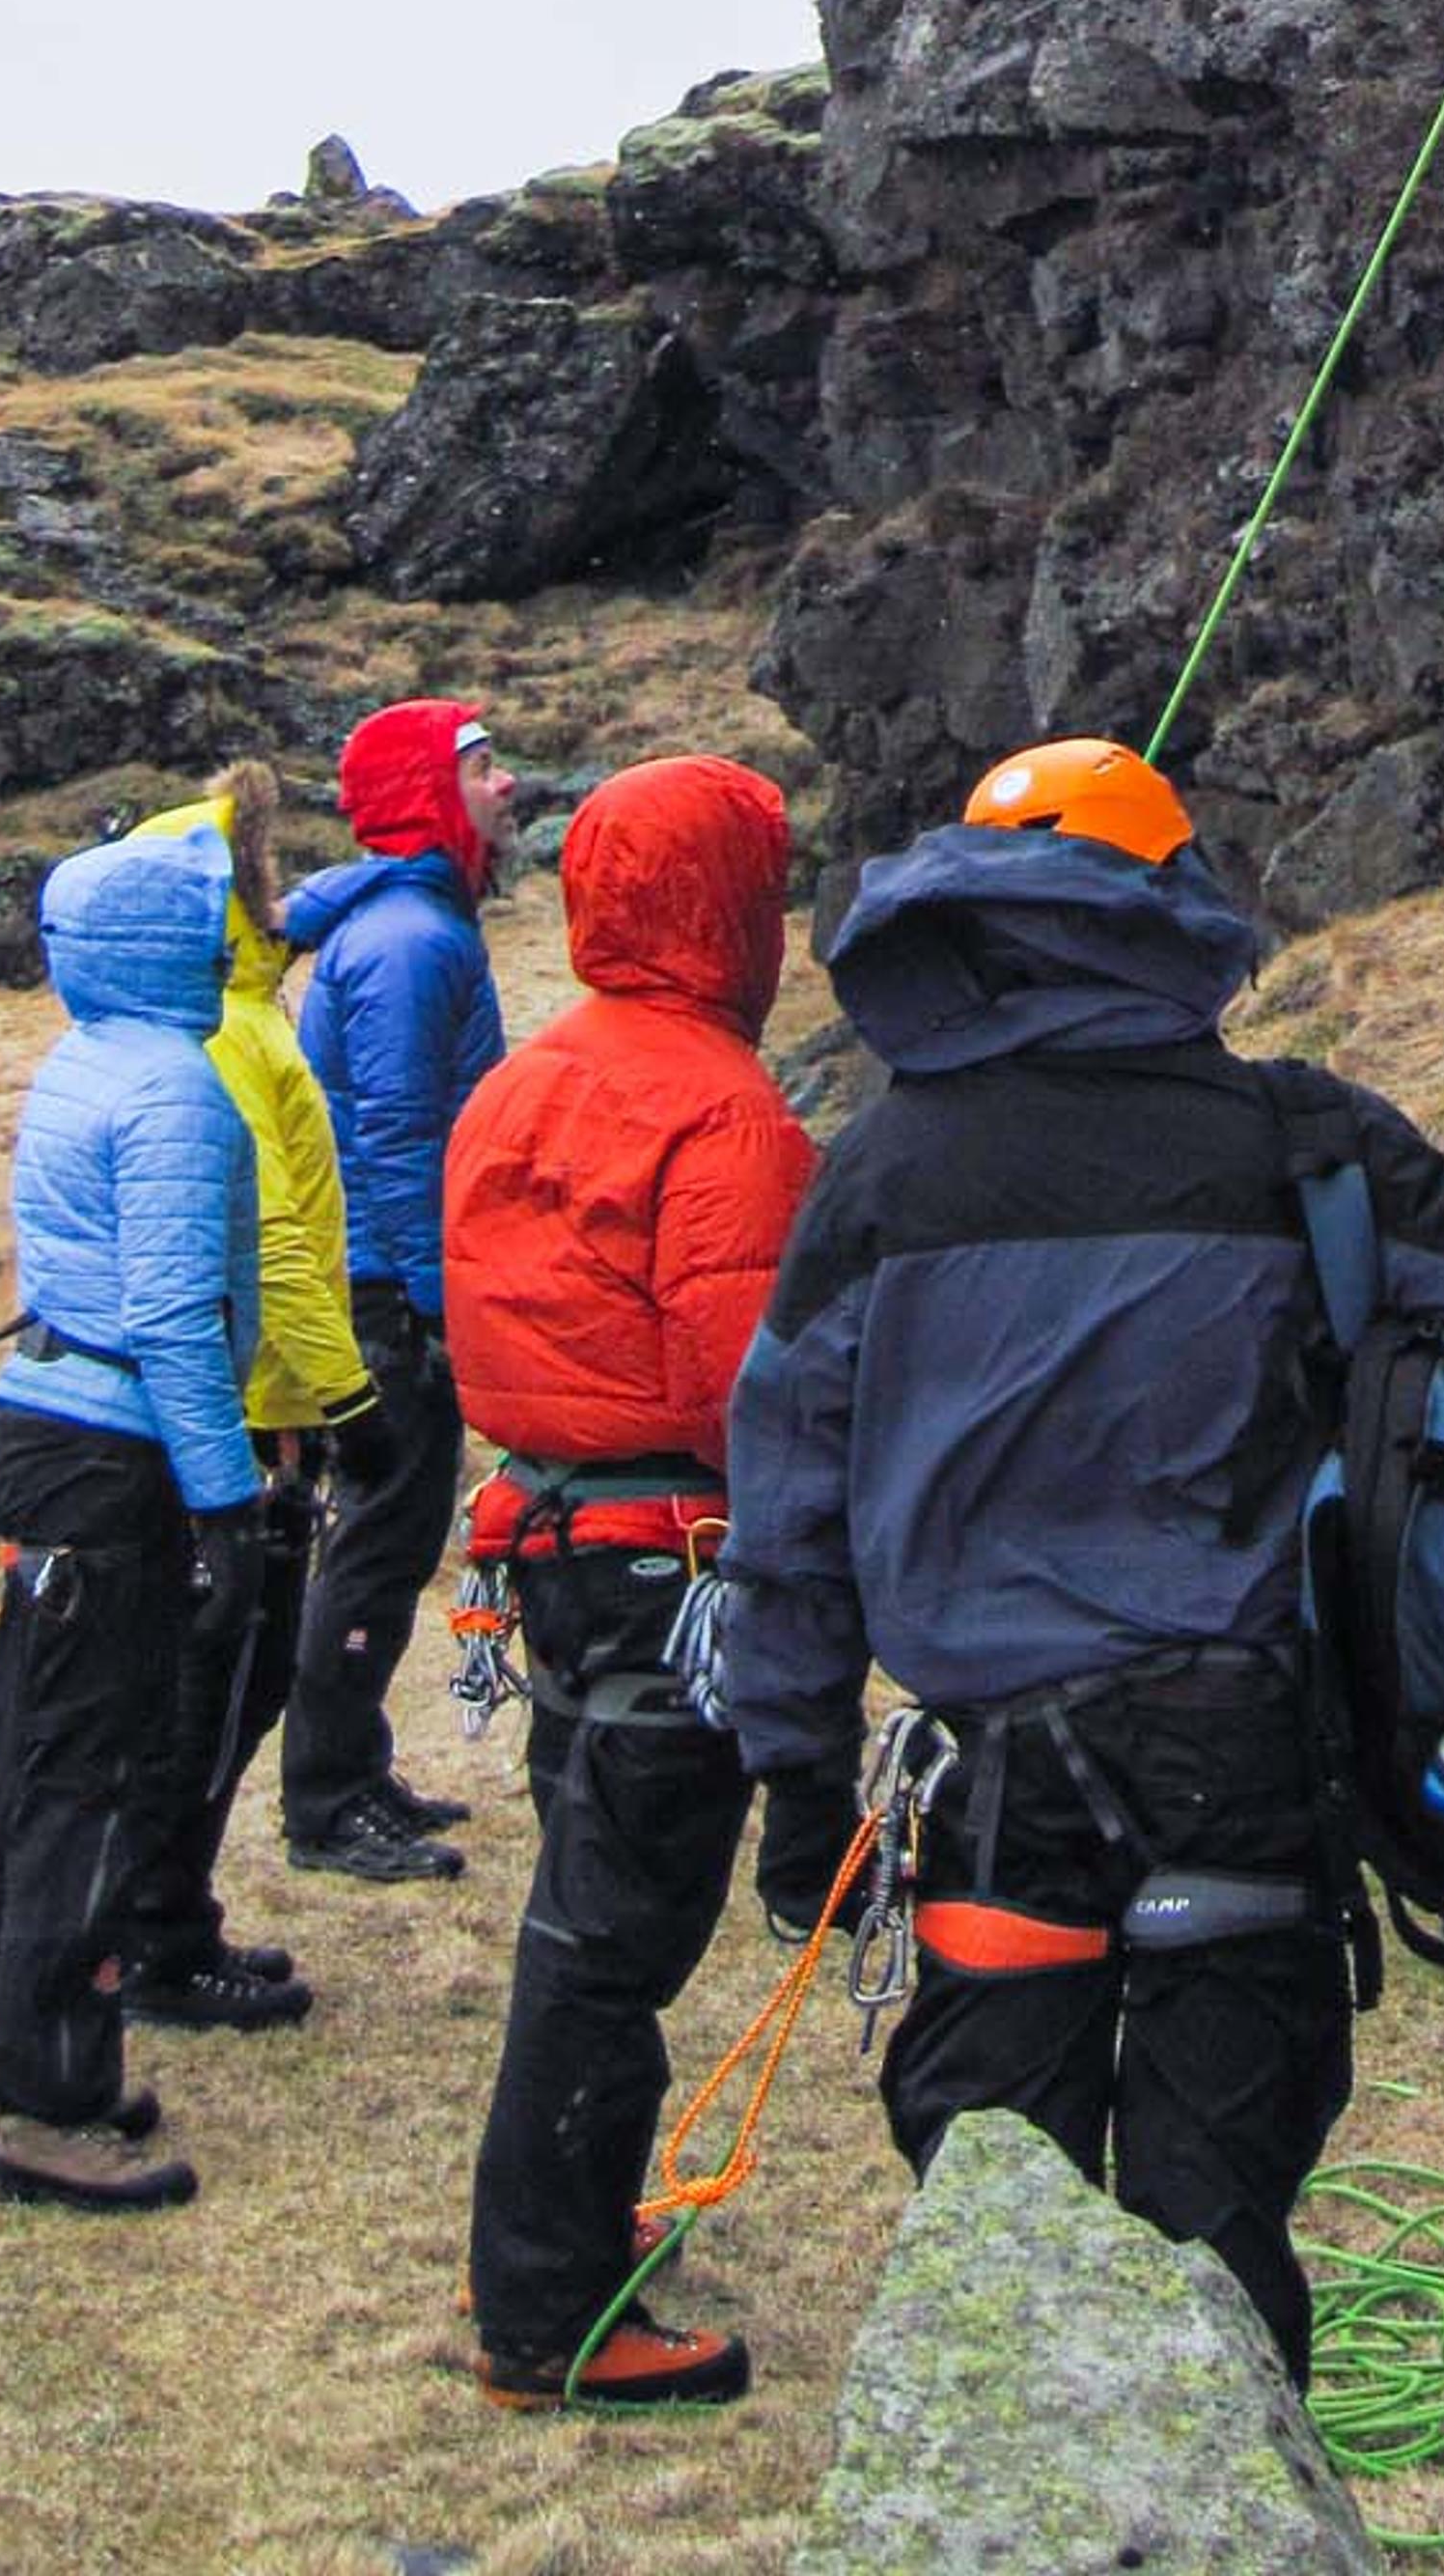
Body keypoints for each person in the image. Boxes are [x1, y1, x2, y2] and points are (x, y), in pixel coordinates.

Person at [713, 735, 1444, 2382]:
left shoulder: (877, 1175)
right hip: (1242, 1755)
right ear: (1173, 902)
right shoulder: (1307, 1141)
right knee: (1215, 2223)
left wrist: (796, 1783)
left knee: (1003, 2227)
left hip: (994, 1788)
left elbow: (786, 1515)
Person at [446, 752, 847, 2415]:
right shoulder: (726, 1113)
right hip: (662, 1572)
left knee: (586, 1913)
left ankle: (567, 2247)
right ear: (730, 910)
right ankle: (548, 2315)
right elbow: (749, 1394)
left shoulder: (528, 1080)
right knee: (609, 1941)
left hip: (552, 1553)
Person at [0, 822, 260, 2211]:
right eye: (215, 920)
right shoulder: (176, 1091)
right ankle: (53, 2097)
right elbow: (175, 1327)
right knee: (91, 1777)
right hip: (110, 1449)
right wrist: (228, 1502)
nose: (233, 936)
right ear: (168, 944)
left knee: (32, 1753)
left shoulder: (81, 1061)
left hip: (39, 1422)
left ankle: (12, 2045)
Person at [107, 759, 399, 2029]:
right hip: (253, 1414)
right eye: (255, 869)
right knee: (208, 1690)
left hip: (261, 1404)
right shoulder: (228, 1029)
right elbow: (269, 1238)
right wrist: (352, 1405)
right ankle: (153, 1942)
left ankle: (172, 1922)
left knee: (233, 1684)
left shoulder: (244, 1012)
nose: (276, 888)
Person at [278, 696, 513, 1883]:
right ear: (429, 790)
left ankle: (352, 1768)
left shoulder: (410, 922)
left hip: (382, 1276)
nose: (507, 784)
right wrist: (432, 1306)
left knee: (386, 1532)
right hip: (387, 1290)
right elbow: (402, 1137)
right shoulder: (415, 942)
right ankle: (325, 1801)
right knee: (378, 1537)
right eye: (481, 766)